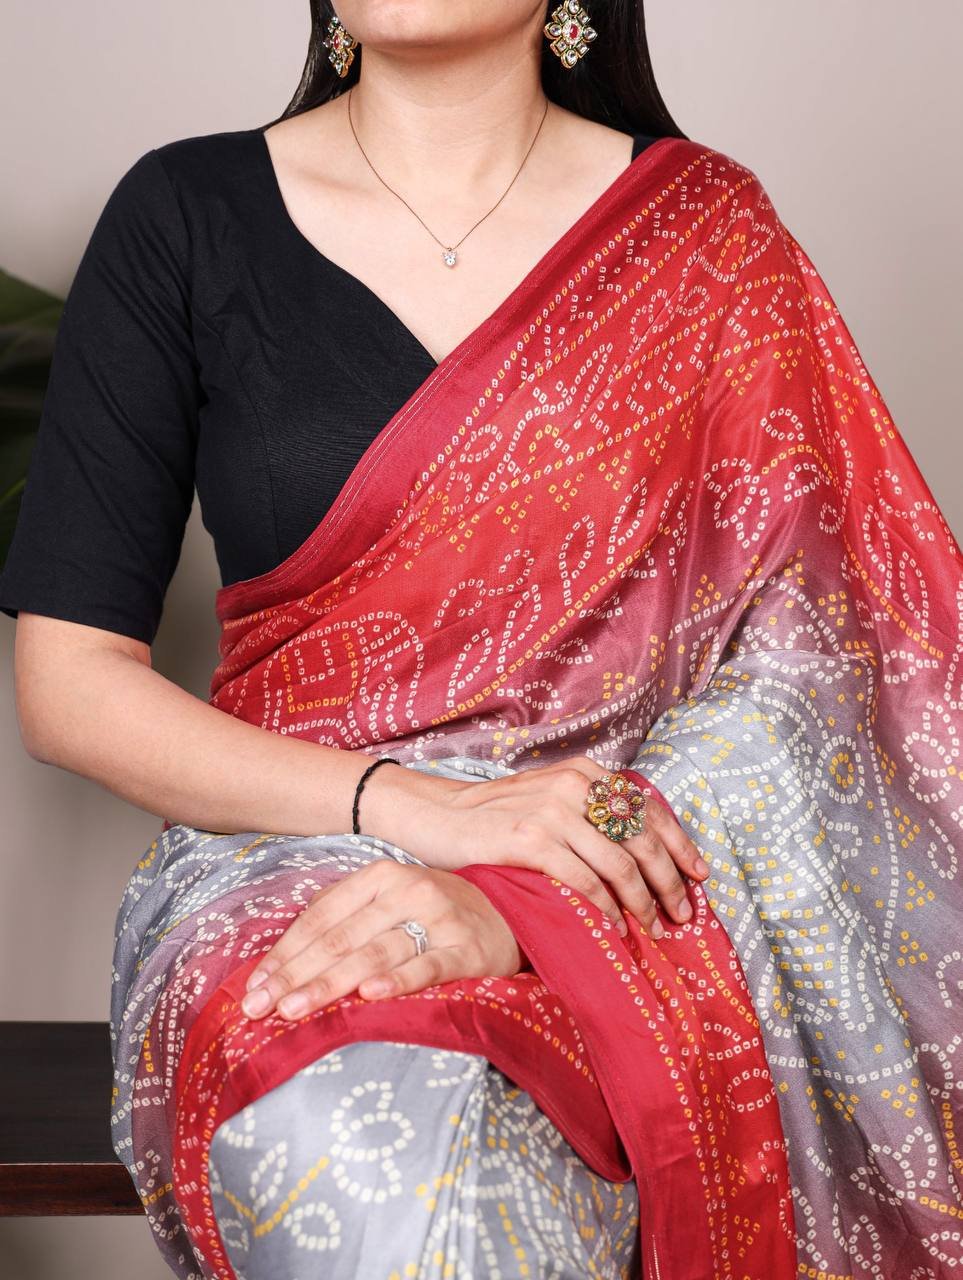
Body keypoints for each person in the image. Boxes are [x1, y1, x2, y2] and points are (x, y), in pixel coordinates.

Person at [2, 3, 960, 1278]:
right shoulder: (184, 214)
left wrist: (526, 899)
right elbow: (70, 683)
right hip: (283, 858)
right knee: (374, 1144)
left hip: (617, 868)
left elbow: (827, 666)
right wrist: (426, 813)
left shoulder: (706, 238)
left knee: (535, 1141)